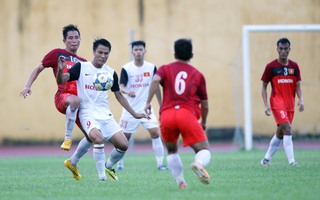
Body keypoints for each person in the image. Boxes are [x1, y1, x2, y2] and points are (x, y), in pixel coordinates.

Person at [57, 38, 149, 181]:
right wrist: (61, 69)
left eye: (106, 53)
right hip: (87, 113)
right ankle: (102, 178)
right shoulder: (81, 67)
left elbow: (119, 96)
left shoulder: (111, 73)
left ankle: (109, 165)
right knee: (97, 139)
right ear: (93, 52)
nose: (103, 56)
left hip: (105, 114)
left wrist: (135, 114)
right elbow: (62, 80)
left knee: (123, 145)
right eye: (100, 52)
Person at [145, 38, 211, 189]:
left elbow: (155, 80)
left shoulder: (165, 68)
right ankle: (198, 163)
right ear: (191, 55)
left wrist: (148, 102)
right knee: (203, 149)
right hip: (186, 115)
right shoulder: (197, 74)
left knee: (172, 150)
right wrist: (204, 122)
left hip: (167, 115)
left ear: (174, 54)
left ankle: (181, 181)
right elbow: (205, 104)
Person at [20, 24, 91, 151]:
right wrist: (27, 86)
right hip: (63, 98)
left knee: (93, 137)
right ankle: (68, 138)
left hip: (79, 103)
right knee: (75, 101)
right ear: (64, 41)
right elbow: (38, 68)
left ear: (80, 40)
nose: (74, 40)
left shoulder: (83, 62)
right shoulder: (57, 54)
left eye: (76, 37)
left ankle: (72, 162)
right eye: (70, 38)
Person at [117, 40, 167, 171]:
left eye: (140, 49)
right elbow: (121, 86)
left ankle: (160, 164)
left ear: (145, 51)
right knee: (124, 138)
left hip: (146, 108)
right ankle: (120, 164)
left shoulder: (151, 67)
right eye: (136, 50)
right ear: (132, 52)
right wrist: (128, 91)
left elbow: (155, 87)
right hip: (130, 109)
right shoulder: (126, 68)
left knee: (155, 133)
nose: (138, 52)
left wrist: (162, 105)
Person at [260, 38, 304, 166]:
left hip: (290, 104)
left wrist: (301, 99)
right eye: (281, 48)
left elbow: (298, 85)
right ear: (277, 49)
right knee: (288, 129)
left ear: (289, 50)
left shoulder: (294, 66)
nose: (283, 51)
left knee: (280, 132)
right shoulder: (271, 67)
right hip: (276, 103)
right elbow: (263, 86)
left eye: (286, 49)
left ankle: (266, 160)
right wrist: (266, 105)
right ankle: (292, 162)